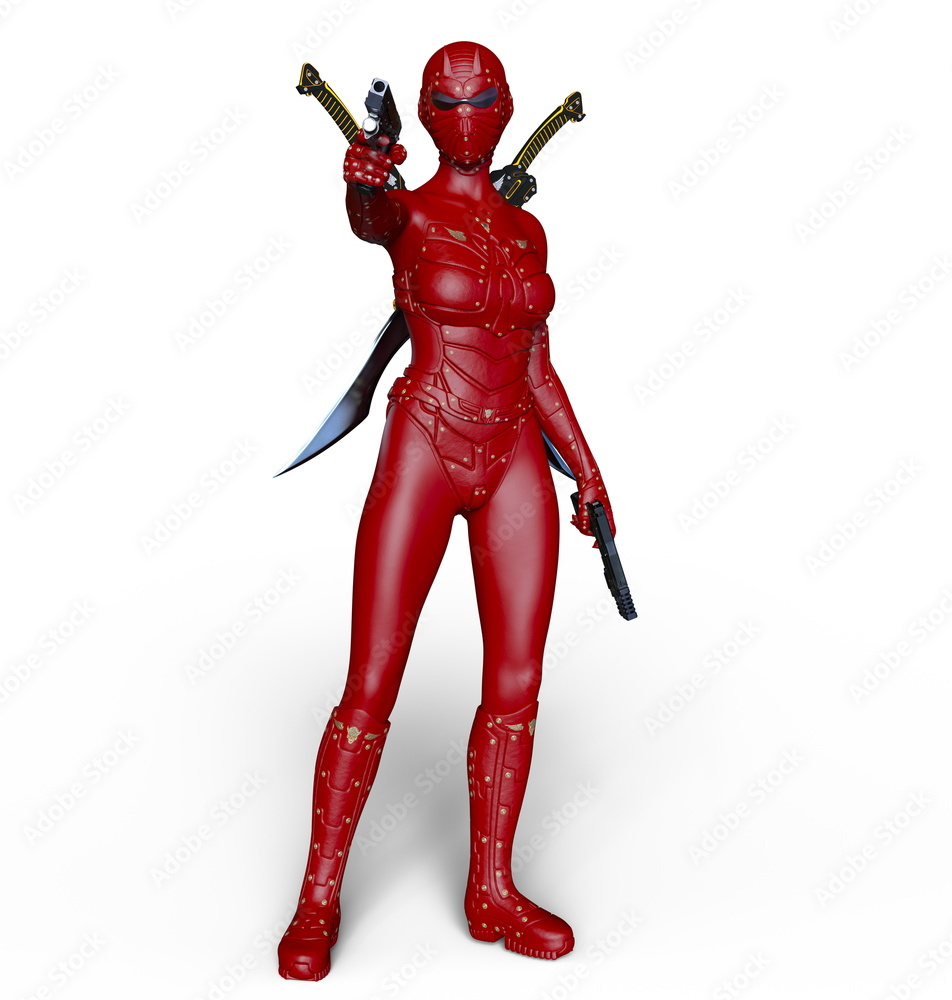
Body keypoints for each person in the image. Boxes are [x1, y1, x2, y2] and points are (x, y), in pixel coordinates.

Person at [278, 41, 614, 981]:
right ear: (427, 113)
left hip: (515, 457)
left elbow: (536, 362)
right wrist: (362, 177)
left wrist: (588, 471)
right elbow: (372, 214)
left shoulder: (526, 233)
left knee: (517, 680)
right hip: (426, 442)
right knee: (371, 681)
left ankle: (492, 890)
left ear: (505, 107)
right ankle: (316, 900)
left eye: (483, 98)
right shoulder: (410, 212)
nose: (467, 115)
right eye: (449, 100)